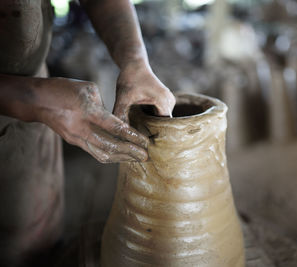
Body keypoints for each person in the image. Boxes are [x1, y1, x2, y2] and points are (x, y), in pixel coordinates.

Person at [0, 0, 175, 266]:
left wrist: (135, 60)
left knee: (34, 246)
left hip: (35, 116)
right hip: (29, 100)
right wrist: (31, 96)